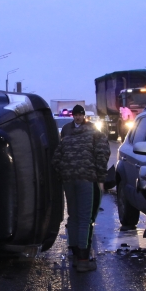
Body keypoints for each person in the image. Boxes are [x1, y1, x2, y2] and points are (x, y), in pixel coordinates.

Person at [52, 104, 110, 272]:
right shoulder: (95, 135)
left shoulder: (67, 137)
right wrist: (101, 179)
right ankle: (84, 259)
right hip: (86, 180)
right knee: (86, 218)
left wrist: (62, 176)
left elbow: (56, 160)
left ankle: (75, 253)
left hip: (69, 181)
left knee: (73, 216)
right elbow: (102, 155)